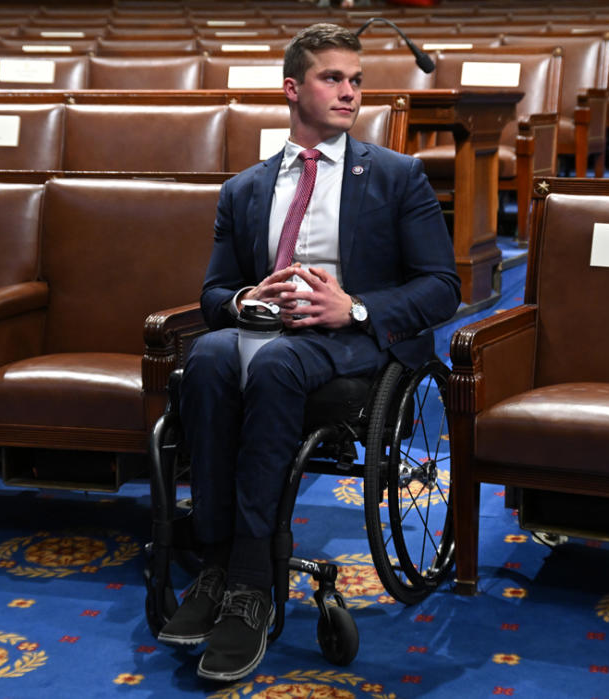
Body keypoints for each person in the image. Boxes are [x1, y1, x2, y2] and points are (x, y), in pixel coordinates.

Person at [156, 23, 460, 683]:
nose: (349, 92)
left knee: (271, 364)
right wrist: (244, 302)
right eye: (333, 78)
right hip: (268, 333)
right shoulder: (245, 189)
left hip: (354, 343)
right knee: (207, 357)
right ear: (293, 88)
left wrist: (352, 306)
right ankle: (214, 561)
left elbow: (443, 287)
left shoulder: (397, 176)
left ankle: (249, 585)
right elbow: (212, 291)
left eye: (356, 81)